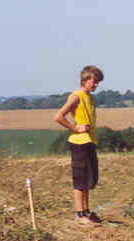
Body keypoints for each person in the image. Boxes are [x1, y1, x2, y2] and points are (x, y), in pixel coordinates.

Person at [54, 65, 105, 226]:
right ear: (84, 80)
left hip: (89, 143)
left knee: (89, 179)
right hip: (79, 144)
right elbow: (59, 116)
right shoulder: (76, 96)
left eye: (98, 82)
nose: (96, 85)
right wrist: (75, 128)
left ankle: (87, 212)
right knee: (80, 181)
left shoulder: (90, 97)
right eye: (94, 82)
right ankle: (80, 215)